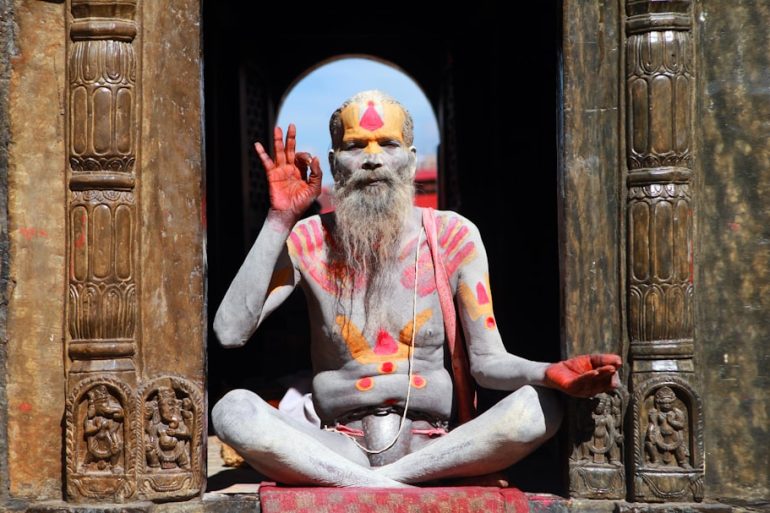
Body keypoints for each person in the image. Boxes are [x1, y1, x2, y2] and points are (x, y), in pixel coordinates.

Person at [212, 90, 621, 487]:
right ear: (336, 164)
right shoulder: (309, 240)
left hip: (439, 447)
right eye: (356, 146)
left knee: (540, 407)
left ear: (409, 161)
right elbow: (229, 333)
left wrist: (548, 373)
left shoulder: (453, 237)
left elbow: (486, 362)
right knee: (233, 410)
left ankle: (375, 484)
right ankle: (383, 483)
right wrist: (278, 220)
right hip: (338, 446)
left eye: (387, 143)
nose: (372, 158)